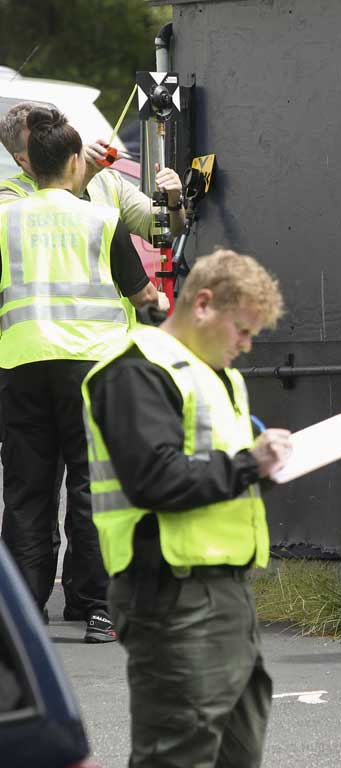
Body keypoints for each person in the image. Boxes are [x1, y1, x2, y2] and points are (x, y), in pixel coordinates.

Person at [83, 248, 290, 766]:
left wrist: (265, 469)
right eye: (242, 330)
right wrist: (249, 464)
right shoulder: (136, 370)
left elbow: (216, 477)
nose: (245, 346)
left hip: (223, 591)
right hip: (172, 593)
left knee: (232, 752)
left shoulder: (217, 376)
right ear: (202, 304)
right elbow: (155, 479)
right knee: (177, 754)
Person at [0, 100, 184, 624]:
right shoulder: (102, 219)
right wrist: (164, 305)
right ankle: (96, 603)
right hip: (95, 368)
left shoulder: (4, 215)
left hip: (21, 362)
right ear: (76, 158)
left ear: (25, 160)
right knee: (91, 484)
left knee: (27, 490)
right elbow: (149, 295)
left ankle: (21, 612)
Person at [0, 100, 186, 237]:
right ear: (22, 160)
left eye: (52, 132)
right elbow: (57, 228)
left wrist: (173, 201)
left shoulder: (108, 181)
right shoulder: (8, 197)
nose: (51, 141)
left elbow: (163, 231)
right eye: (39, 142)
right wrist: (82, 176)